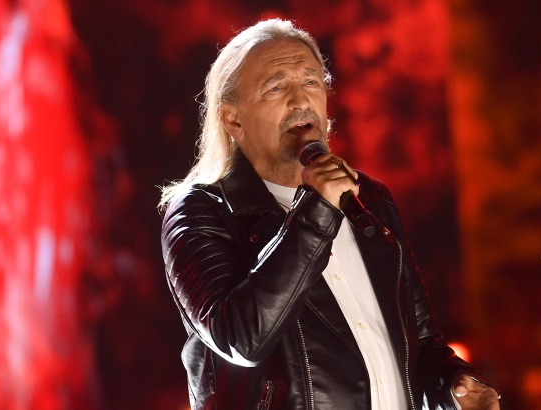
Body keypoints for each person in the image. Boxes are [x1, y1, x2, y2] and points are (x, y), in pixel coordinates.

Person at [159, 18, 500, 409]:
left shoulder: (370, 199)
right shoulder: (200, 212)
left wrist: (453, 387)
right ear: (233, 118)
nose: (300, 101)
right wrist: (317, 209)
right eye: (276, 87)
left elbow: (419, 341)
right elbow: (241, 338)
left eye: (311, 81)